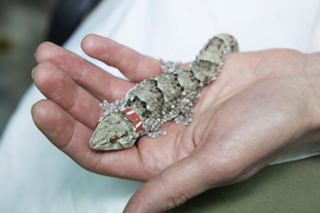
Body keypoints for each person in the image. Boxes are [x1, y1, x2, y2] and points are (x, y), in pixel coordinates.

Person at [1, 1, 320, 212]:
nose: (102, 141)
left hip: (186, 82)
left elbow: (153, 121)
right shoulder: (126, 113)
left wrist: (307, 93)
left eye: (112, 139)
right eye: (108, 134)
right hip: (174, 77)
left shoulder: (145, 123)